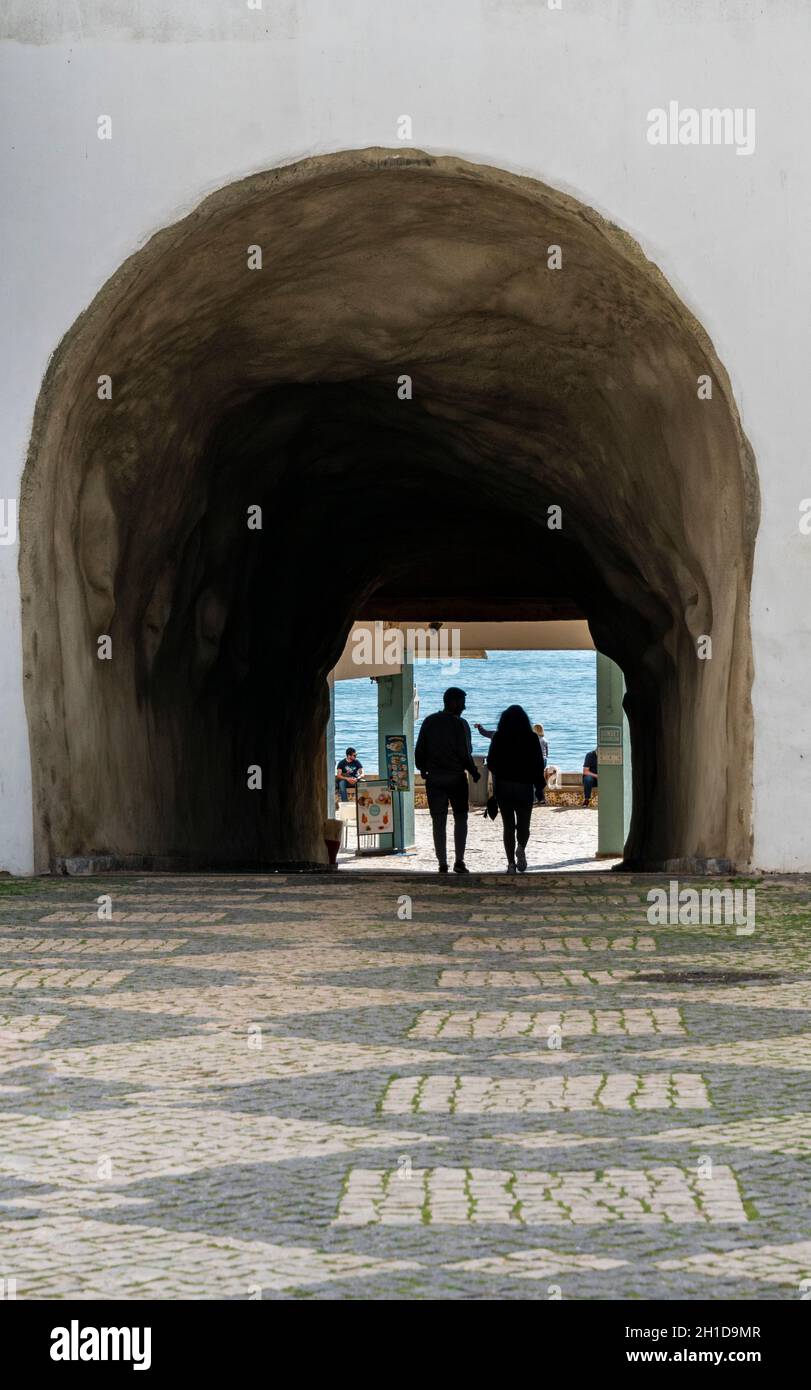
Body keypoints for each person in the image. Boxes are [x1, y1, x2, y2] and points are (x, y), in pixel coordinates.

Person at [415, 687, 480, 873]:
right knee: (461, 818)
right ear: (452, 702)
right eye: (462, 703)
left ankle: (442, 862)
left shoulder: (429, 722)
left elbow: (419, 751)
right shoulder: (461, 724)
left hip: (434, 779)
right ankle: (459, 861)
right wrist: (474, 772)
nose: (464, 708)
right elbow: (465, 754)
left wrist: (423, 769)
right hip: (456, 779)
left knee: (438, 821)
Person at [486, 705, 545, 873]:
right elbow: (538, 764)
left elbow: (491, 762)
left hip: (504, 787)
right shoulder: (531, 738)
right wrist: (539, 786)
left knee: (508, 826)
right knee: (524, 825)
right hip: (524, 787)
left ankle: (511, 863)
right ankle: (521, 847)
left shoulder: (498, 737)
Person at [532, 723, 549, 803]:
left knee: (535, 780)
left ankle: (537, 799)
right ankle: (541, 799)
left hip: (536, 760)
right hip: (544, 760)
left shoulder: (534, 739)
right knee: (540, 779)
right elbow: (547, 752)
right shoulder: (544, 739)